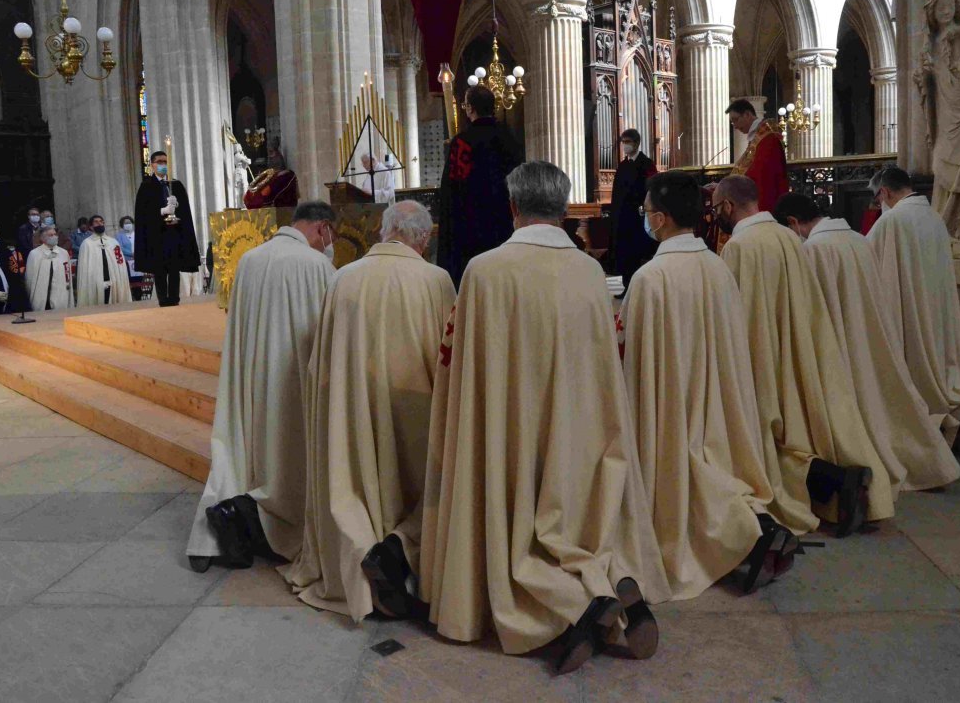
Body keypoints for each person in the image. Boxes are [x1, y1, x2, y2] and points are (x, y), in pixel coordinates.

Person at [419, 161, 670, 674]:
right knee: (578, 515)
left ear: (512, 207)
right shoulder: (588, 272)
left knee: (517, 525)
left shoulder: (484, 271)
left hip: (506, 425)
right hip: (576, 424)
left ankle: (575, 603)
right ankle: (608, 582)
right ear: (561, 209)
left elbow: (457, 357)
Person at [620, 172, 795, 598]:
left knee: (682, 466)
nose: (645, 219)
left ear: (660, 219)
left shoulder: (650, 277)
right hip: (718, 399)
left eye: (646, 213)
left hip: (671, 400)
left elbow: (637, 361)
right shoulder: (717, 266)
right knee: (712, 458)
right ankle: (754, 526)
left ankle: (745, 536)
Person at [281, 201, 454, 621]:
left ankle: (362, 551)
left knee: (355, 488)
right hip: (416, 408)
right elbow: (451, 358)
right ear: (424, 238)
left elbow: (318, 363)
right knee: (426, 489)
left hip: (353, 411)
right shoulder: (436, 279)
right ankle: (400, 552)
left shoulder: (343, 278)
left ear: (383, 230)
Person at [713, 175, 893, 537]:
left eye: (717, 207)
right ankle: (840, 482)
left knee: (762, 440)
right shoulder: (787, 236)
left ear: (728, 207)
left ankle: (836, 482)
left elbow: (734, 315)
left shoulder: (738, 247)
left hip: (761, 354)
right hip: (799, 347)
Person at [773, 193, 960, 492]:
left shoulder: (815, 249)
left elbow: (815, 310)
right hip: (871, 337)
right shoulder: (857, 239)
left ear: (793, 223)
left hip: (840, 343)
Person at [187, 201, 338, 571]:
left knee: (247, 454)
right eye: (329, 236)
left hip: (251, 374)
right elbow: (332, 330)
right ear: (322, 228)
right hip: (292, 379)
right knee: (290, 459)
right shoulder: (317, 265)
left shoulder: (250, 259)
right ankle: (265, 523)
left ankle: (233, 513)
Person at [868, 167, 960, 457]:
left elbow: (867, 262)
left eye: (877, 199)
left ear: (884, 192)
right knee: (939, 374)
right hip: (933, 311)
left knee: (917, 379)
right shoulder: (932, 216)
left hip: (908, 312)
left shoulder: (894, 221)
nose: (878, 205)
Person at [436, 85, 521, 286]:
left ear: (470, 109)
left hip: (470, 229)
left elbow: (452, 191)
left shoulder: (462, 143)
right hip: (504, 224)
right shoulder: (509, 139)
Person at [134, 150, 201, 307]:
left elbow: (185, 211)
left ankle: (174, 298)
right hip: (157, 235)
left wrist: (177, 205)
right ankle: (163, 298)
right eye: (160, 162)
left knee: (174, 268)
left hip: (174, 234)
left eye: (165, 162)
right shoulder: (146, 186)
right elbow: (143, 213)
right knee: (160, 269)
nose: (163, 165)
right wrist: (161, 211)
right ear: (152, 165)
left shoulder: (175, 184)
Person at [609, 128, 658, 293]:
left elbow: (652, 189)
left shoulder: (646, 164)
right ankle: (626, 286)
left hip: (639, 217)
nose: (625, 146)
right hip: (623, 217)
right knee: (624, 252)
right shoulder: (622, 166)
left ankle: (638, 288)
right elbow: (616, 194)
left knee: (638, 253)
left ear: (636, 143)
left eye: (628, 142)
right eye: (623, 142)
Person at [726, 99, 787, 212]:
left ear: (747, 114)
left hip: (765, 200)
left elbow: (762, 174)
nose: (735, 126)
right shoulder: (757, 137)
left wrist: (734, 182)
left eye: (735, 120)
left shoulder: (768, 138)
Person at [76, 216, 132, 306]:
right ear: (90, 227)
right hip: (95, 282)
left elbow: (120, 263)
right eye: (96, 222)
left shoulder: (113, 242)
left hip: (113, 279)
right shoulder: (87, 244)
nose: (99, 223)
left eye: (101, 221)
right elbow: (85, 269)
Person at [25, 226, 74, 312]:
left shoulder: (63, 253)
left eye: (55, 234)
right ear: (43, 238)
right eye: (50, 235)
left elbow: (67, 274)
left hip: (59, 292)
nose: (54, 237)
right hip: (42, 293)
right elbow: (29, 278)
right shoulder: (34, 254)